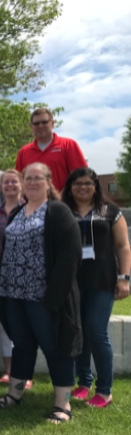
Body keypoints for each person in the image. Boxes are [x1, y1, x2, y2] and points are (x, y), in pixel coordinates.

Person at [0, 163, 82, 424]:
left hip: (44, 297)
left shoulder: (58, 212)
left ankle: (62, 404)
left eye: (37, 178)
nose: (31, 182)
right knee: (21, 345)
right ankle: (14, 395)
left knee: (56, 347)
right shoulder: (18, 212)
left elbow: (69, 257)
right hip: (15, 295)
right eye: (27, 178)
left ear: (48, 182)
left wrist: (54, 298)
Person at [62, 167, 131, 408]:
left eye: (87, 183)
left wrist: (125, 278)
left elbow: (123, 246)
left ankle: (105, 390)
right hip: (71, 282)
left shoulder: (110, 211)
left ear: (95, 186)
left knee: (95, 330)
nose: (82, 187)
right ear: (70, 187)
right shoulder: (63, 210)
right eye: (77, 183)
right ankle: (84, 382)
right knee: (78, 329)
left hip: (102, 280)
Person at [0, 169, 24, 383]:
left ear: (21, 185)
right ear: (1, 187)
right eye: (6, 182)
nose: (10, 185)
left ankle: (23, 372)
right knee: (2, 323)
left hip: (24, 279)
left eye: (14, 181)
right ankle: (8, 371)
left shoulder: (31, 210)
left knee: (23, 324)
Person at [15, 107, 87, 192]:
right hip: (32, 203)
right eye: (36, 123)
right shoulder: (24, 151)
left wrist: (61, 197)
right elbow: (19, 181)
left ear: (52, 123)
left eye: (44, 122)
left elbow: (80, 176)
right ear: (31, 126)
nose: (40, 126)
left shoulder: (68, 145)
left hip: (64, 202)